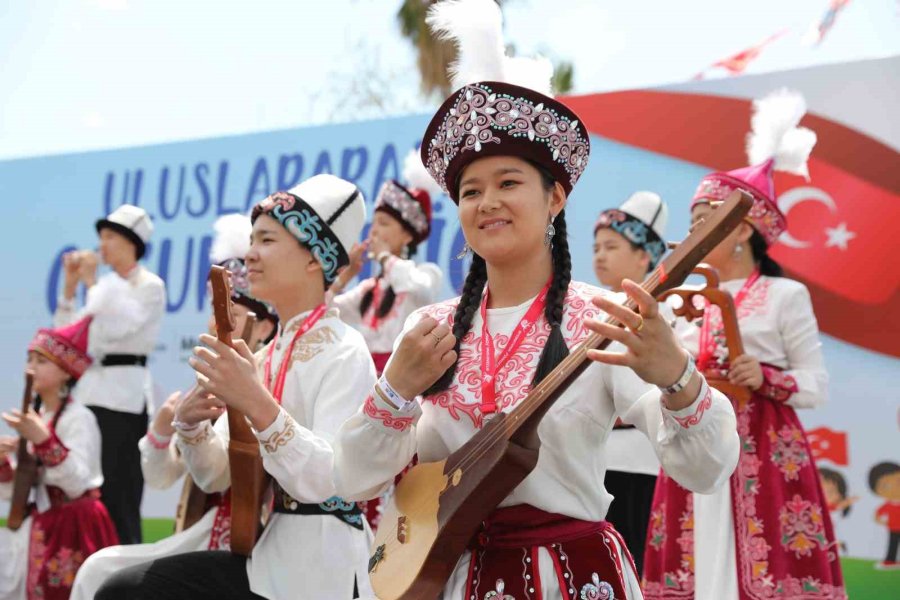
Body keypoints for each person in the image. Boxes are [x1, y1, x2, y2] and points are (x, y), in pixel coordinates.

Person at [333, 1, 740, 598]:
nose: (487, 202)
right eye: (471, 191)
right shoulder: (429, 327)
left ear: (555, 199)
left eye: (508, 183)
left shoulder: (602, 318)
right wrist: (395, 389)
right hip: (454, 576)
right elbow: (355, 479)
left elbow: (707, 468)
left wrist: (675, 375)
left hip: (572, 577)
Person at [96, 175, 376, 599]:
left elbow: (329, 479)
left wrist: (256, 403)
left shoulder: (345, 349)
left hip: (324, 565)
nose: (251, 254)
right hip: (269, 552)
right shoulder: (264, 358)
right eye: (251, 240)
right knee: (120, 586)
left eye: (266, 240)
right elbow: (216, 477)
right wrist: (191, 427)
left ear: (314, 258)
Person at [642, 89, 846, 599]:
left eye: (705, 221)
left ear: (742, 231)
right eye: (693, 223)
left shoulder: (784, 295)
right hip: (694, 437)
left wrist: (766, 377)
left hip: (764, 447)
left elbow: (816, 384)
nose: (694, 233)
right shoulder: (681, 296)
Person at [68, 214, 276, 600]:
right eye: (215, 314)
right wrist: (164, 430)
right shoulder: (206, 384)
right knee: (97, 569)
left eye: (229, 315)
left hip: (252, 536)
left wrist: (190, 427)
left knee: (108, 575)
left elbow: (217, 477)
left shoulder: (269, 382)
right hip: (200, 528)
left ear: (264, 327)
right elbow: (162, 478)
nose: (216, 325)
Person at [54, 204, 165, 544]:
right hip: (89, 394)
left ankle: (125, 563)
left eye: (109, 237)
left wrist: (91, 283)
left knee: (120, 491)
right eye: (101, 237)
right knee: (89, 489)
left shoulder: (149, 285)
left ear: (131, 242)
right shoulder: (103, 287)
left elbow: (118, 327)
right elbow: (68, 339)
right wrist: (70, 289)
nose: (101, 246)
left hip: (123, 399)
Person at [0, 318, 118, 600]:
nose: (31, 368)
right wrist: (4, 464)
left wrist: (44, 441)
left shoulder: (79, 418)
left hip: (76, 526)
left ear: (66, 372)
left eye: (41, 361)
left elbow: (76, 483)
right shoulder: (40, 418)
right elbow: (17, 491)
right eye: (29, 359)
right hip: (44, 524)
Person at [593, 191, 669, 574]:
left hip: (638, 461)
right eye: (596, 247)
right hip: (591, 456)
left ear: (644, 256)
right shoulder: (588, 307)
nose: (599, 256)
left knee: (630, 565)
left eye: (611, 246)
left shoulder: (671, 309)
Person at [330, 150, 443, 376]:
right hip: (367, 383)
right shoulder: (369, 290)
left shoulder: (426, 273)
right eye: (373, 224)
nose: (374, 231)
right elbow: (325, 311)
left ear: (407, 236)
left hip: (407, 383)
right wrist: (345, 276)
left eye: (383, 223)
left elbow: (419, 290)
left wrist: (384, 257)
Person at [869, 462, 900, 570]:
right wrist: (881, 521)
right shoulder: (887, 505)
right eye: (886, 486)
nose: (894, 488)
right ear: (877, 491)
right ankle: (890, 560)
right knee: (893, 544)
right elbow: (877, 515)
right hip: (893, 528)